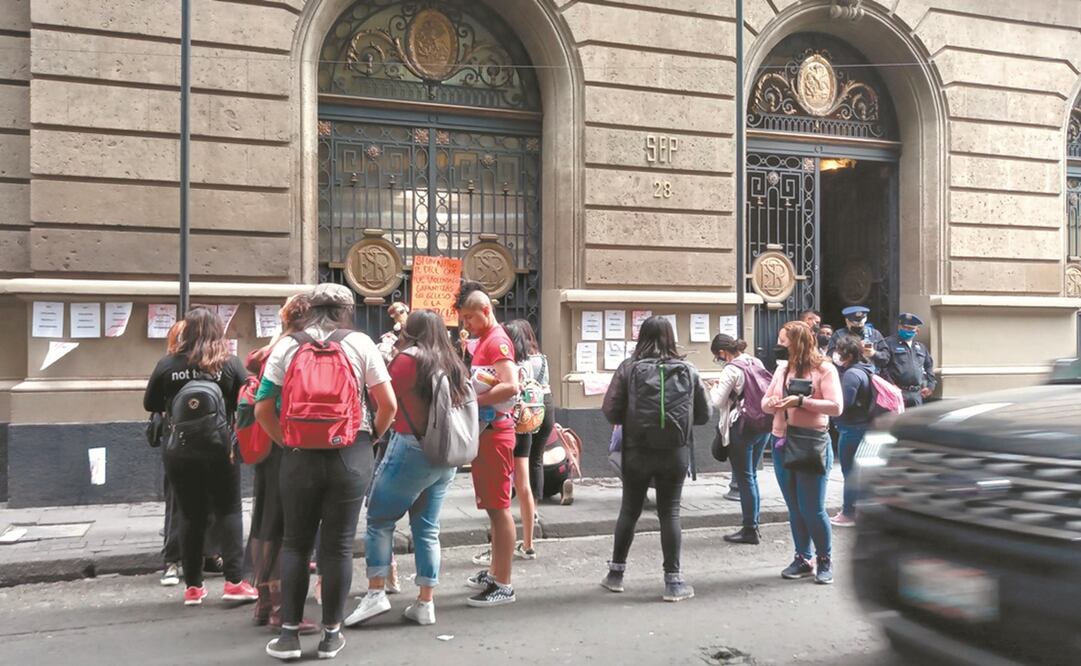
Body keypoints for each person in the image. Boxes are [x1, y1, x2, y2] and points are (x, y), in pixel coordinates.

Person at [256, 283, 396, 661]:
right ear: (346, 310)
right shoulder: (361, 344)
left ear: (310, 308)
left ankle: (288, 637)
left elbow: (262, 405)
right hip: (350, 453)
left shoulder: (288, 345)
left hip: (299, 453)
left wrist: (285, 440)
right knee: (336, 547)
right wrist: (371, 437)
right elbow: (388, 404)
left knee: (296, 544)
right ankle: (331, 636)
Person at [346, 309, 468, 628]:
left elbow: (379, 400)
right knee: (427, 529)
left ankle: (375, 593)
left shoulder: (409, 360)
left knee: (379, 520)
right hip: (445, 456)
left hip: (410, 450)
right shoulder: (453, 361)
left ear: (409, 332)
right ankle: (425, 602)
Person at [143, 307, 257, 606]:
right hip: (221, 447)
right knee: (229, 511)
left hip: (179, 450)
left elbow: (150, 402)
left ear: (186, 331)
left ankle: (193, 587)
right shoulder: (229, 363)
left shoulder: (168, 364)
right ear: (218, 331)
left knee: (189, 515)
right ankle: (234, 582)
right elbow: (248, 397)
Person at [600, 316, 711, 602]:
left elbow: (610, 410)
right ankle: (673, 582)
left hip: (637, 450)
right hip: (675, 452)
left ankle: (615, 575)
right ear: (671, 337)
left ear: (642, 337)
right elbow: (704, 415)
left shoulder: (628, 368)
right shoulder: (688, 369)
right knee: (670, 513)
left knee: (629, 510)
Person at [245, 293, 317, 634]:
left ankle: (263, 601)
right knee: (287, 527)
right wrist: (288, 443)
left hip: (266, 447)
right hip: (285, 442)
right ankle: (279, 607)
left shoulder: (273, 347)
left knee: (265, 520)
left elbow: (251, 363)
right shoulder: (295, 349)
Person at [762, 321, 843, 585]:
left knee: (812, 508)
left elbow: (835, 407)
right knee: (794, 507)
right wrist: (772, 403)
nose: (780, 345)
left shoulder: (824, 370)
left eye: (784, 341)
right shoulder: (783, 369)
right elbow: (765, 403)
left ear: (797, 343)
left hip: (812, 443)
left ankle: (824, 559)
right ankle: (802, 558)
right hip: (782, 443)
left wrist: (801, 401)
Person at [456, 282, 521, 607]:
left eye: (469, 317)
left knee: (499, 509)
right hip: (487, 432)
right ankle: (496, 572)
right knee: (494, 510)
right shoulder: (484, 342)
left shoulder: (497, 342)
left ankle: (503, 583)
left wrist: (473, 396)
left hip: (495, 433)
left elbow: (511, 386)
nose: (466, 324)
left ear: (486, 311)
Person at [472, 319, 551, 565]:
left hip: (515, 422)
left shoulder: (514, 363)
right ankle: (528, 541)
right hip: (539, 415)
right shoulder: (541, 359)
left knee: (506, 487)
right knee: (529, 476)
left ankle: (499, 548)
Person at [707, 334, 771, 545]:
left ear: (723, 352)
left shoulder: (731, 369)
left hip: (741, 427)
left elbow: (717, 401)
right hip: (762, 424)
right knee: (751, 477)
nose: (720, 360)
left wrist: (713, 387)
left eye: (718, 356)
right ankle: (753, 523)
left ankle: (750, 529)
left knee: (745, 478)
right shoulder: (756, 361)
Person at [830, 336, 875, 529]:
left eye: (839, 351)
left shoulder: (851, 375)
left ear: (847, 354)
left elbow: (844, 403)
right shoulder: (866, 369)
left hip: (852, 428)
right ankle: (862, 512)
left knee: (850, 472)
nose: (836, 355)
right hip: (863, 425)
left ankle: (848, 512)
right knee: (860, 472)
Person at [876, 313, 936, 408]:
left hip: (917, 394)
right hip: (897, 392)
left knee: (915, 421)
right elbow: (882, 367)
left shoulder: (920, 347)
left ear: (917, 331)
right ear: (900, 327)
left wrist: (930, 386)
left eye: (911, 329)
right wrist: (891, 385)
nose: (907, 330)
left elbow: (929, 366)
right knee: (898, 422)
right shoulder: (888, 343)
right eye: (905, 327)